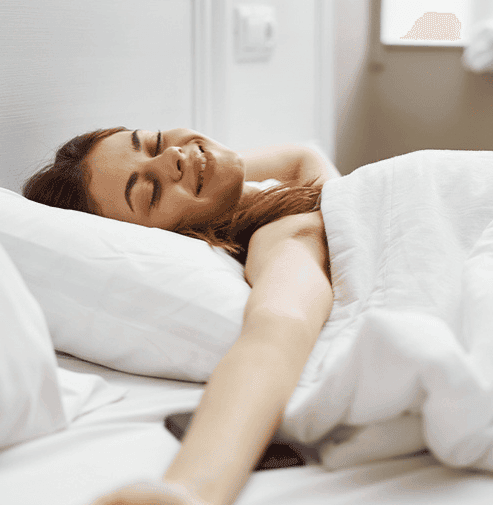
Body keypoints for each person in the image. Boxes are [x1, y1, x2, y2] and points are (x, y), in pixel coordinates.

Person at [24, 127, 337, 505]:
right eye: (150, 191)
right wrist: (190, 489)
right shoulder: (284, 233)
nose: (169, 157)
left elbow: (300, 155)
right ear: (174, 237)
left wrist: (201, 167)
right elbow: (277, 328)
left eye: (154, 142)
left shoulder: (294, 196)